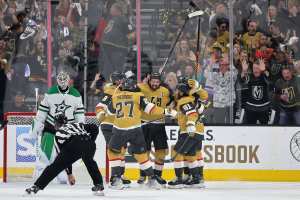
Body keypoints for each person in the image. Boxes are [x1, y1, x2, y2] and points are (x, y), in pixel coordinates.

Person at [98, 75, 176, 189]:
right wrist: (167, 111)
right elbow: (151, 109)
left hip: (119, 130)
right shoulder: (138, 95)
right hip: (136, 129)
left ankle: (116, 179)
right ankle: (152, 179)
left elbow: (110, 112)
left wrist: (101, 114)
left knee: (113, 151)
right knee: (142, 156)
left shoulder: (116, 96)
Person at [25, 114, 104, 196]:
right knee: (90, 163)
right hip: (89, 143)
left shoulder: (58, 134)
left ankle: (36, 187)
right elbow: (94, 128)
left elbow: (63, 157)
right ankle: (99, 184)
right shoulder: (76, 124)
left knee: (55, 167)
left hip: (74, 143)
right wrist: (90, 142)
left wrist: (69, 174)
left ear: (55, 124)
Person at [30, 71, 85, 184]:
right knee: (46, 154)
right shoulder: (50, 93)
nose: (63, 82)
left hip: (67, 130)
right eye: (61, 80)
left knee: (65, 155)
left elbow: (79, 114)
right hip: (51, 127)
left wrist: (80, 128)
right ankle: (40, 174)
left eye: (65, 80)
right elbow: (41, 113)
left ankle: (63, 175)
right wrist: (36, 129)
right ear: (57, 81)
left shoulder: (76, 95)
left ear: (69, 80)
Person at [168, 77, 205, 189]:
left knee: (177, 153)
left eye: (177, 90)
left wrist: (190, 124)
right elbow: (187, 113)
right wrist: (174, 114)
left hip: (189, 132)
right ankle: (197, 179)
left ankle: (178, 179)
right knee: (190, 155)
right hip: (198, 132)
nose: (176, 92)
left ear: (181, 92)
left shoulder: (184, 100)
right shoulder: (191, 99)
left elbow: (192, 113)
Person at [95, 71, 131, 186]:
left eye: (123, 79)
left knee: (122, 149)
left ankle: (120, 175)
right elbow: (100, 106)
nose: (123, 81)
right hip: (108, 124)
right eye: (120, 79)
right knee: (115, 149)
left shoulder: (124, 91)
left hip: (120, 125)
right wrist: (100, 114)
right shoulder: (111, 91)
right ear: (115, 81)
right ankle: (115, 178)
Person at [137, 72, 173, 185]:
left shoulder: (165, 91)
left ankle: (157, 175)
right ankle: (143, 175)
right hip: (145, 124)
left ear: (160, 82)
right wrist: (142, 83)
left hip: (159, 125)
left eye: (157, 82)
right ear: (149, 80)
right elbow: (130, 90)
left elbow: (171, 102)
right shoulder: (141, 87)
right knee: (144, 151)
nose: (155, 84)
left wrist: (171, 107)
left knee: (161, 151)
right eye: (153, 81)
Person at [240, 59, 273, 124]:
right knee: (250, 129)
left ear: (261, 69)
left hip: (264, 108)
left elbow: (270, 81)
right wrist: (243, 71)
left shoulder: (265, 76)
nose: (255, 70)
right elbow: (242, 80)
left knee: (264, 130)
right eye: (254, 68)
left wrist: (264, 70)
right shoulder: (249, 76)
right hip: (250, 108)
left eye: (257, 68)